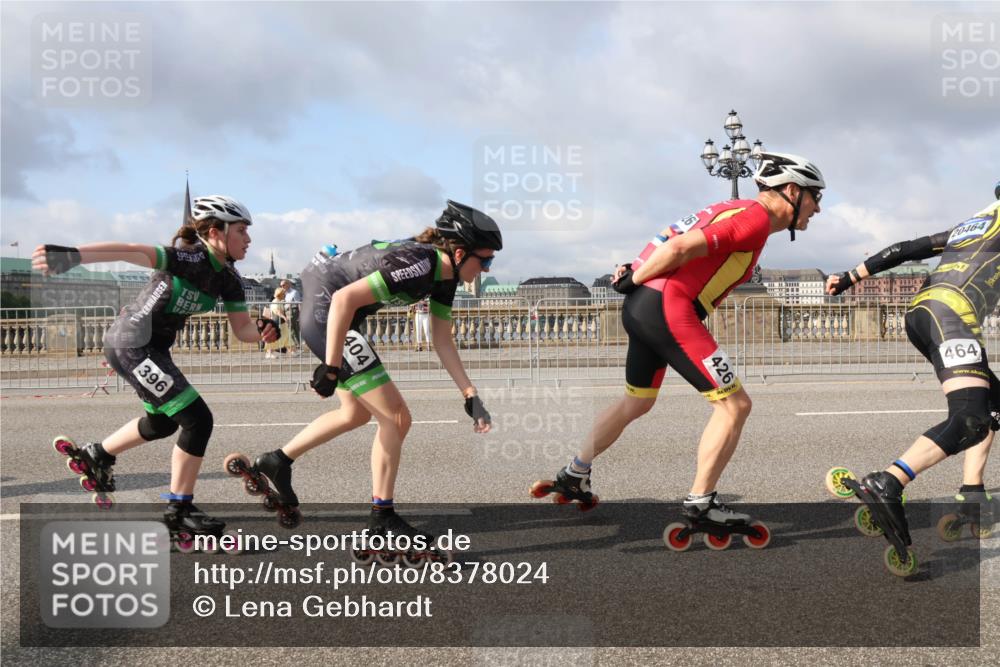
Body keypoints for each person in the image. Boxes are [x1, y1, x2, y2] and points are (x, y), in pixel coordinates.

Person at [531, 153, 825, 534]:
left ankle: (575, 473)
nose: (817, 208)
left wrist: (634, 271)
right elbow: (678, 249)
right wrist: (634, 277)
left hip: (646, 307)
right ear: (791, 190)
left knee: (636, 402)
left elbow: (665, 238)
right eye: (815, 197)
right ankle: (701, 503)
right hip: (669, 308)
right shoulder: (755, 218)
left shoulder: (732, 207)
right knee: (735, 406)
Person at [236, 200, 499, 547]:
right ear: (462, 252)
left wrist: (470, 395)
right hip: (328, 312)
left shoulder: (445, 276)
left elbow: (441, 338)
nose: (486, 268)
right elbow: (344, 299)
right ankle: (382, 519)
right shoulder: (420, 263)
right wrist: (330, 368)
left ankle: (276, 461)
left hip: (341, 313)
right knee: (397, 417)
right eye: (487, 260)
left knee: (355, 412)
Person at [36, 194, 279, 542]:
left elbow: (242, 331)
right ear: (214, 232)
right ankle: (179, 510)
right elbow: (129, 250)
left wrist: (263, 332)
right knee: (197, 419)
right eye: (241, 230)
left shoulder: (229, 279)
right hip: (131, 343)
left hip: (153, 350)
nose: (249, 239)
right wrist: (74, 256)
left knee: (164, 422)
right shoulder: (186, 256)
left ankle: (97, 454)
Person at [825, 189, 1000, 568]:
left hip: (925, 312)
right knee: (969, 418)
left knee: (987, 409)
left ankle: (973, 493)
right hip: (952, 315)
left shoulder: (973, 225)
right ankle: (889, 480)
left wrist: (850, 277)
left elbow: (906, 249)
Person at [264, 286, 291, 358]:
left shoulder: (279, 301)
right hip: (276, 322)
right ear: (280, 294)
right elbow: (277, 311)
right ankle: (269, 353)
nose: (285, 295)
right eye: (284, 294)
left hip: (280, 322)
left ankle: (292, 351)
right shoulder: (275, 302)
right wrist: (284, 317)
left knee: (287, 337)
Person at [281, 278, 302, 352]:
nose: (282, 287)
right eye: (281, 286)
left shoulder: (294, 292)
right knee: (291, 330)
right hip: (287, 312)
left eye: (283, 285)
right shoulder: (284, 293)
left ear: (288, 284)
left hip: (293, 311)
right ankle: (296, 346)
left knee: (294, 330)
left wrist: (300, 315)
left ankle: (298, 346)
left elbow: (299, 303)